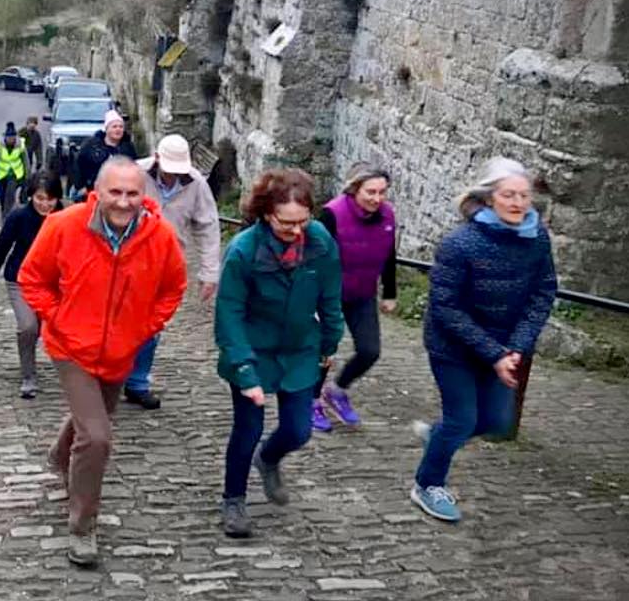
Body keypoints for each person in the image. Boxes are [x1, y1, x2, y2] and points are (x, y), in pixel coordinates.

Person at [18, 157, 187, 568]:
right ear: (98, 192)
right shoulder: (64, 225)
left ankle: (61, 458)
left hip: (120, 352)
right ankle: (82, 527)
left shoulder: (160, 236)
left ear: (143, 195)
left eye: (133, 193)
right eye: (116, 192)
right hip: (70, 346)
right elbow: (31, 278)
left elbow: (173, 287)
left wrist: (144, 327)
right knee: (97, 437)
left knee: (88, 425)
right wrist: (58, 316)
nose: (124, 202)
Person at [411, 157, 556, 523]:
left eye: (524, 196)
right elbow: (445, 307)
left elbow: (543, 293)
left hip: (506, 347)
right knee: (461, 420)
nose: (518, 203)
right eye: (509, 194)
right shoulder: (460, 244)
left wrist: (516, 348)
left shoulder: (538, 238)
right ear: (490, 197)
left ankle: (438, 437)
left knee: (495, 421)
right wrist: (494, 353)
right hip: (453, 347)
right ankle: (428, 485)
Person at [214, 168, 344, 539]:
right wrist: (244, 370)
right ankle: (234, 500)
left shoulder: (320, 243)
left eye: (304, 221)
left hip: (301, 348)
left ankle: (268, 459)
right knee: (248, 427)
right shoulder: (243, 251)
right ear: (267, 213)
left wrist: (328, 345)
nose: (297, 231)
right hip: (253, 349)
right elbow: (230, 314)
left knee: (299, 429)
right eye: (287, 223)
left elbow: (331, 297)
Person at [124, 134, 222, 409]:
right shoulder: (134, 174)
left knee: (152, 325)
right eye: (168, 169)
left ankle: (137, 382)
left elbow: (208, 227)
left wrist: (209, 273)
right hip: (127, 259)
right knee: (119, 318)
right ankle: (109, 372)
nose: (172, 176)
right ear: (156, 159)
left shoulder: (196, 185)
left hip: (166, 265)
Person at [310, 162, 399, 431]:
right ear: (354, 189)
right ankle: (310, 401)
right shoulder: (331, 214)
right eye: (370, 192)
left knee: (370, 350)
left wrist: (390, 292)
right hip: (329, 295)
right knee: (324, 351)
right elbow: (314, 256)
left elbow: (389, 253)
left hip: (362, 293)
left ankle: (336, 390)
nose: (377, 198)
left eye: (382, 192)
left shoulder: (387, 216)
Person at [0, 172, 64, 400]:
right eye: (39, 198)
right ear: (31, 196)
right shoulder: (19, 217)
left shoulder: (65, 217)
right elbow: (3, 245)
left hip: (52, 282)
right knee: (28, 326)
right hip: (19, 279)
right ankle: (28, 375)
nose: (44, 204)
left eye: (50, 199)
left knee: (50, 327)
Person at [74, 110, 136, 195]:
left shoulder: (128, 148)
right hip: (92, 190)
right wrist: (81, 186)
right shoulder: (91, 145)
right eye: (114, 127)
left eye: (121, 127)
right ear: (107, 129)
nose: (118, 129)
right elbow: (79, 164)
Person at [0, 122, 28, 216]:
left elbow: (25, 161)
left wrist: (27, 176)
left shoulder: (20, 145)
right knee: (2, 196)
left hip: (14, 174)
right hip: (1, 175)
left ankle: (6, 216)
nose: (11, 140)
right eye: (9, 137)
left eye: (13, 137)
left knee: (10, 196)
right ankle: (3, 210)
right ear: (5, 137)